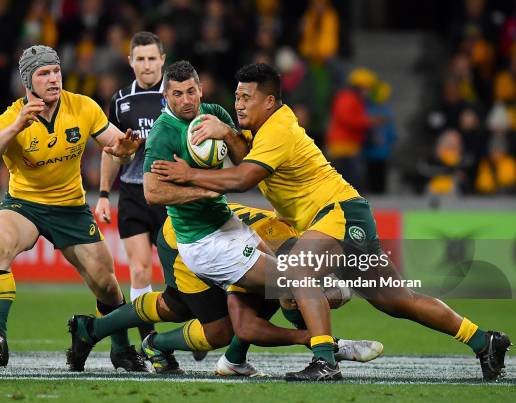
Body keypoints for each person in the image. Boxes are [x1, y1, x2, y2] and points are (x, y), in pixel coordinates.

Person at [150, 63, 512, 382]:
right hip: (346, 214)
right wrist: (229, 133)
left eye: (247, 97)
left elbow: (243, 179)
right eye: (237, 97)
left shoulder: (278, 129)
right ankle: (484, 341)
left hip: (336, 213)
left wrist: (188, 174)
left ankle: (324, 360)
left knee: (298, 270)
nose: (239, 104)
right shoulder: (263, 129)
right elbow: (245, 158)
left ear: (270, 102)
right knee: (397, 299)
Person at [0, 45, 146, 372]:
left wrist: (124, 150)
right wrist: (15, 128)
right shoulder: (13, 117)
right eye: (43, 74)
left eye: (56, 71)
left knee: (107, 284)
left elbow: (118, 145)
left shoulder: (82, 106)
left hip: (70, 208)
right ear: (28, 83)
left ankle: (121, 350)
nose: (53, 79)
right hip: (24, 205)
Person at [66, 203, 384, 374]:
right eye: (303, 310)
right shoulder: (268, 266)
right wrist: (318, 341)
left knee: (175, 306)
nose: (305, 313)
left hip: (208, 237)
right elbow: (245, 328)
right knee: (218, 328)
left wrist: (319, 337)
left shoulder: (289, 263)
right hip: (186, 241)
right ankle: (154, 343)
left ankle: (92, 329)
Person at [95, 32, 167, 341]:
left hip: (170, 193)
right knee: (139, 271)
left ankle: (200, 330)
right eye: (141, 59)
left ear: (163, 60)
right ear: (131, 62)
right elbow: (111, 149)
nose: (147, 65)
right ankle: (149, 340)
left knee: (184, 273)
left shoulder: (178, 96)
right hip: (133, 193)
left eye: (152, 58)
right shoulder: (121, 101)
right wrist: (101, 194)